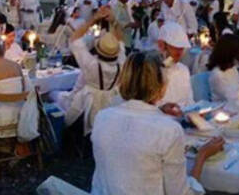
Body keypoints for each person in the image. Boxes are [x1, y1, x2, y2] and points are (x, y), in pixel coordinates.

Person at [91, 51, 225, 195]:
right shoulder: (168, 130)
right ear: (162, 87)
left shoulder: (102, 117)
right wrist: (202, 156)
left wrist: (159, 110)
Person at [62, 10, 124, 134]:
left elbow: (74, 39)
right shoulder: (121, 62)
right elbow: (120, 41)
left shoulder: (91, 64)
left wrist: (93, 20)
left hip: (89, 103)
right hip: (111, 101)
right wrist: (113, 22)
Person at [157, 22, 194, 107]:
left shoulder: (183, 70)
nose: (179, 52)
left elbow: (189, 100)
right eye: (175, 47)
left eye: (181, 48)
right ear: (162, 45)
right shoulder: (150, 70)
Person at [207, 34, 239, 102]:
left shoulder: (232, 68)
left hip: (237, 102)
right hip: (223, 107)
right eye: (238, 52)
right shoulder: (217, 75)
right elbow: (229, 97)